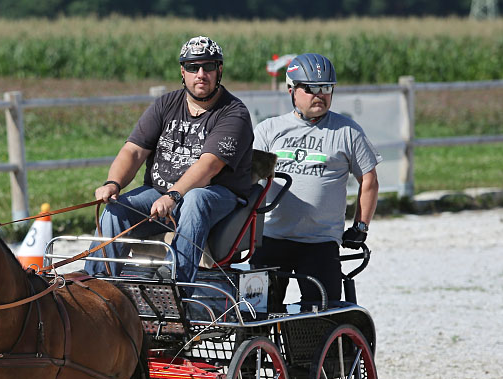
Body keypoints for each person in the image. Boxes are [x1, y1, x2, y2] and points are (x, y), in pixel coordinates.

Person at [84, 36, 253, 284]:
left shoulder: (234, 113)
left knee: (195, 198)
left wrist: (174, 195)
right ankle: (95, 285)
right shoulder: (166, 104)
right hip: (159, 194)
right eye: (193, 67)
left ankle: (178, 283)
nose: (201, 74)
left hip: (215, 195)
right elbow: (133, 151)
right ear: (182, 72)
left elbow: (208, 167)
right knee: (116, 209)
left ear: (219, 70)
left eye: (208, 67)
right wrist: (113, 183)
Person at [250, 53, 381, 306]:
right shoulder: (269, 130)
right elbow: (248, 180)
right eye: (310, 88)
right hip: (271, 237)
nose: (319, 94)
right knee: (256, 311)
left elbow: (369, 179)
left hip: (319, 242)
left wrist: (360, 227)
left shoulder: (348, 131)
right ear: (291, 89)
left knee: (318, 320)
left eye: (326, 88)